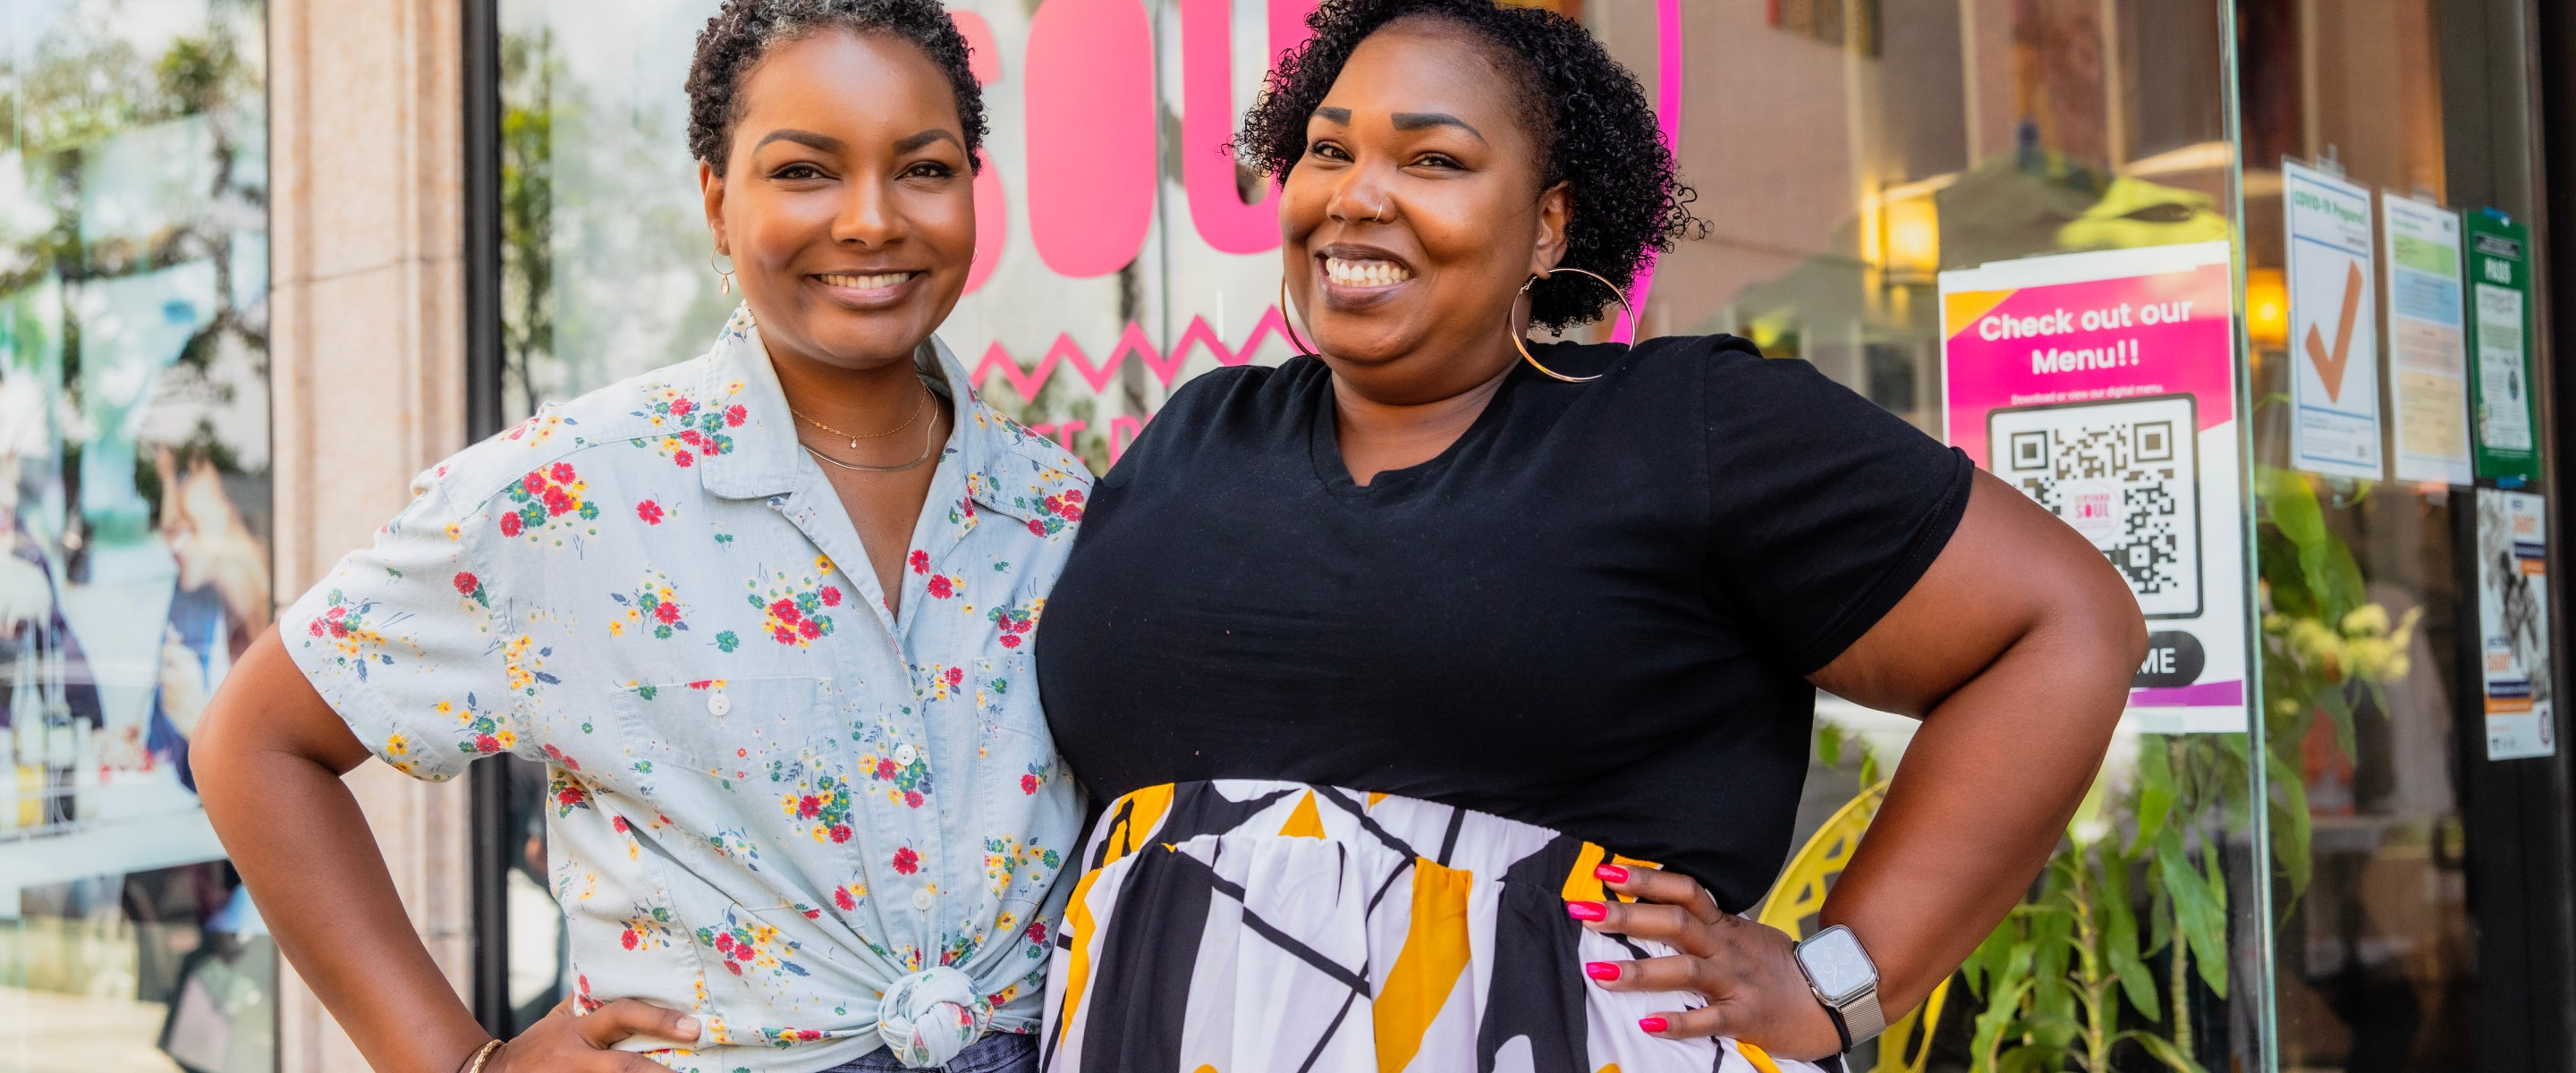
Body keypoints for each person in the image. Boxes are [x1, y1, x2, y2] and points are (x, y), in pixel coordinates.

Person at [1032, 1, 2146, 1069]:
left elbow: (2067, 624)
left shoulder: (1687, 428)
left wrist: (1842, 981)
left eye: (1433, 161)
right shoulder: (1193, 435)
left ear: (1549, 223)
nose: (1356, 195)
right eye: (1329, 152)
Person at [191, 4, 1085, 1070]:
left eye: (923, 169)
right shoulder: (575, 489)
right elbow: (255, 742)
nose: (870, 220)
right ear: (717, 201)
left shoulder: (1057, 506)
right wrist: (458, 1060)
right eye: (804, 171)